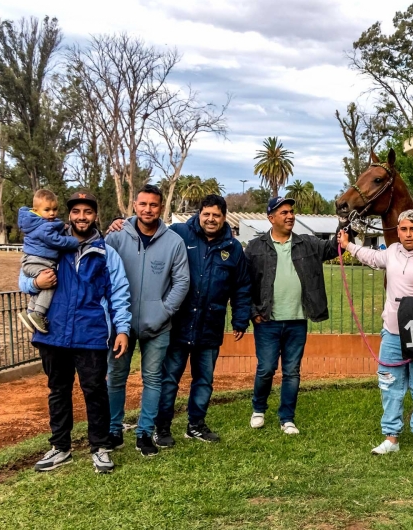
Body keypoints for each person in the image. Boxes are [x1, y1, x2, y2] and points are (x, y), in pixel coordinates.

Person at [109, 194, 252, 446]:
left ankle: (196, 425)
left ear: (224, 217)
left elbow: (241, 287)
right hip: (178, 323)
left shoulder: (233, 247)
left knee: (204, 379)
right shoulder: (179, 234)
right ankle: (161, 428)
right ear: (199, 214)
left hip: (210, 324)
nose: (210, 219)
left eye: (216, 215)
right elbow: (149, 229)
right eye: (206, 214)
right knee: (168, 378)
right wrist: (121, 223)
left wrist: (241, 319)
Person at [20, 191, 131, 474]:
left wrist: (122, 330)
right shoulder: (53, 243)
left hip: (91, 333)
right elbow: (24, 278)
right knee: (58, 391)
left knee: (94, 391)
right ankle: (61, 447)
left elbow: (119, 293)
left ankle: (100, 447)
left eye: (88, 212)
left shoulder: (107, 252)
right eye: (77, 211)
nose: (82, 217)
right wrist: (36, 282)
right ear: (69, 214)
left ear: (95, 215)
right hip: (53, 332)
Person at [338, 210, 413, 456]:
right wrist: (348, 246)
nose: (408, 234)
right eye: (404, 229)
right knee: (389, 384)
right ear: (398, 231)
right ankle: (391, 438)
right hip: (393, 333)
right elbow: (373, 257)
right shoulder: (392, 253)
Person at [106, 184, 190, 457]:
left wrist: (163, 311)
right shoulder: (117, 236)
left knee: (153, 379)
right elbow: (102, 275)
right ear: (134, 205)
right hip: (121, 325)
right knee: (116, 378)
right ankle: (113, 430)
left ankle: (144, 433)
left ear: (161, 207)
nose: (148, 209)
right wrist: (112, 315)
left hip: (158, 326)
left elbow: (182, 281)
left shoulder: (173, 242)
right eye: (143, 204)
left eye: (154, 205)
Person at [245, 196, 340, 435]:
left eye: (291, 212)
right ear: (271, 218)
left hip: (297, 321)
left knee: (292, 371)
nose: (290, 216)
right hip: (267, 321)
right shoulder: (255, 248)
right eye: (284, 212)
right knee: (266, 369)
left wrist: (345, 224)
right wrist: (253, 312)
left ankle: (287, 418)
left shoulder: (307, 243)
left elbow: (332, 247)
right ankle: (258, 409)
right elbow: (243, 283)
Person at [17, 189, 80, 333]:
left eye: (55, 209)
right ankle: (38, 313)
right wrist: (73, 241)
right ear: (36, 210)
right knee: (50, 282)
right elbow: (56, 240)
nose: (52, 213)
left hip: (32, 261)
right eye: (47, 210)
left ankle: (29, 312)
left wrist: (60, 226)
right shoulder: (44, 226)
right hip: (37, 261)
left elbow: (54, 227)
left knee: (44, 285)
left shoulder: (37, 222)